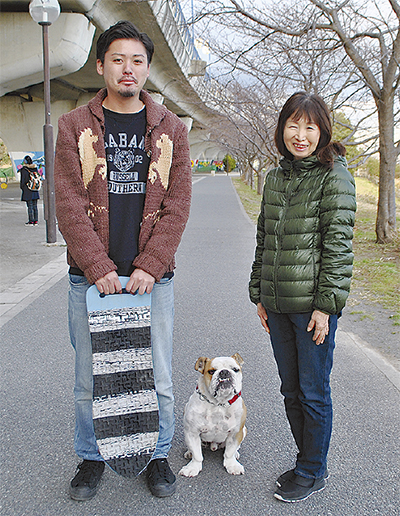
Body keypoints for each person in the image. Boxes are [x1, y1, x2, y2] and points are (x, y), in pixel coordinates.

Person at [54, 20, 192, 501]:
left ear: (147, 68)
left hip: (152, 280)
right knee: (91, 377)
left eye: (137, 60)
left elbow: (177, 203)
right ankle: (91, 457)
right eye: (118, 59)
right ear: (100, 65)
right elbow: (69, 203)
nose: (128, 68)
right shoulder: (74, 126)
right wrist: (99, 267)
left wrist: (150, 264)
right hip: (89, 280)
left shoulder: (171, 128)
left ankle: (157, 455)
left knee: (157, 374)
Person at [249, 92, 356, 503]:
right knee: (290, 391)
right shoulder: (276, 179)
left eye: (309, 126)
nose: (300, 135)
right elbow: (264, 240)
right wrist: (259, 292)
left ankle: (314, 470)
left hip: (313, 309)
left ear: (322, 131)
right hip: (277, 307)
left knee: (313, 392)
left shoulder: (335, 176)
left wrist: (327, 306)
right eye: (293, 125)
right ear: (282, 129)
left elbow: (338, 246)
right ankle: (306, 460)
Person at [19, 155, 39, 225]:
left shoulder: (24, 170)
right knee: (35, 206)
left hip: (28, 189)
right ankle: (36, 220)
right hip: (35, 189)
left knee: (29, 205)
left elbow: (23, 181)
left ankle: (31, 220)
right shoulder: (35, 168)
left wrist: (22, 188)